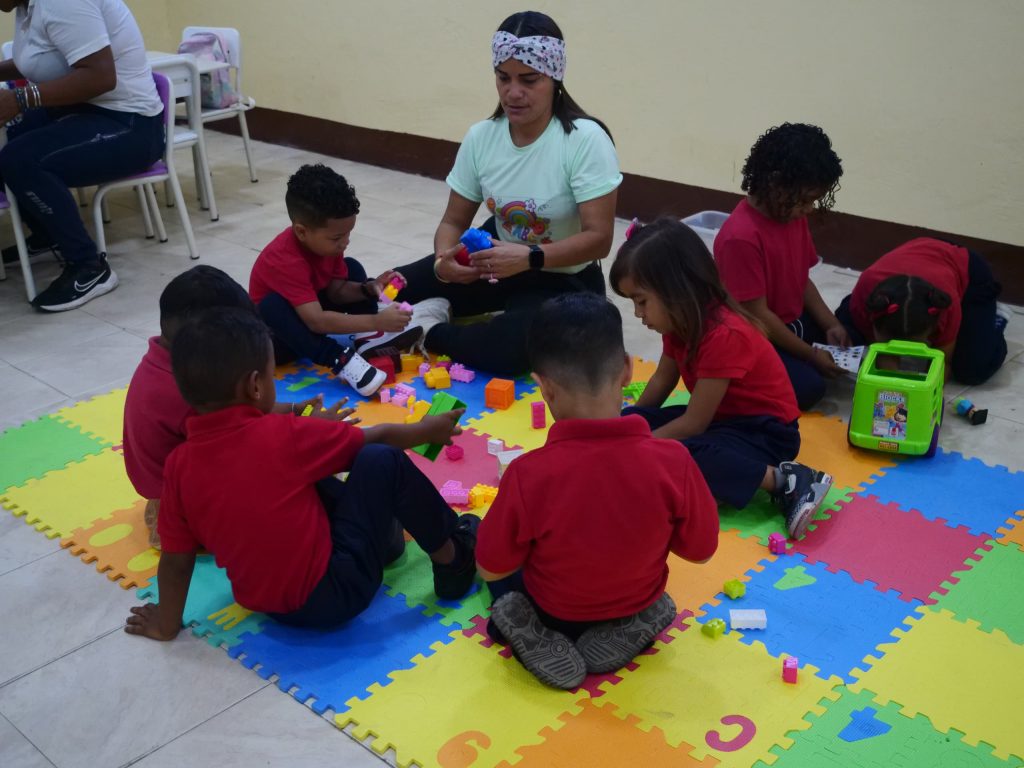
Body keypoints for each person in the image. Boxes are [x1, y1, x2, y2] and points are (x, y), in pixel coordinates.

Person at [124, 307, 480, 638]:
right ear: (255, 385)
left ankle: (386, 546)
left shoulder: (179, 464)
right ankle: (453, 559)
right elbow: (378, 439)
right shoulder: (283, 434)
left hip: (268, 606)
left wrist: (166, 624)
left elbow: (176, 559)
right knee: (381, 460)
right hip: (338, 593)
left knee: (297, 478)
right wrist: (427, 430)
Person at [475, 293, 719, 689]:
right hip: (636, 599)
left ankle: (533, 631)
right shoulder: (674, 460)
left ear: (544, 387)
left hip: (555, 611)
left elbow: (491, 566)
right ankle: (633, 623)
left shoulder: (527, 474)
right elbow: (701, 551)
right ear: (627, 370)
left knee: (494, 563)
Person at [392, 11, 622, 375]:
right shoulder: (482, 137)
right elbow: (453, 221)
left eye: (529, 80)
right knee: (391, 290)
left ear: (555, 77)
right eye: (503, 78)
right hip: (494, 260)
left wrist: (530, 257)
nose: (513, 93)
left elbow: (599, 239)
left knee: (510, 351)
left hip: (563, 276)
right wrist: (442, 262)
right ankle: (439, 309)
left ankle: (430, 329)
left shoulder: (585, 140)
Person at [612, 218, 834, 539]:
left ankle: (787, 480)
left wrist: (636, 448)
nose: (637, 313)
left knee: (685, 453)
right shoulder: (678, 325)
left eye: (641, 301)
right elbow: (661, 382)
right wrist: (628, 429)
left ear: (675, 291)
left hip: (766, 433)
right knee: (632, 423)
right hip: (723, 421)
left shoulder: (724, 334)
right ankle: (714, 483)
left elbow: (693, 424)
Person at [122, 265, 345, 549]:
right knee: (312, 478)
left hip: (164, 486)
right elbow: (254, 448)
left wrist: (293, 409)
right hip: (189, 506)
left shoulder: (168, 364)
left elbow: (244, 415)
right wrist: (315, 433)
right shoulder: (188, 393)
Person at [0, 0, 165, 311]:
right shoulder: (28, 7)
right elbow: (39, 61)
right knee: (9, 139)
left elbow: (101, 77)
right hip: (86, 111)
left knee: (20, 160)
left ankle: (89, 267)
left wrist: (21, 98)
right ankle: (48, 233)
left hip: (130, 125)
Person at [250, 164, 449, 396]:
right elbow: (316, 322)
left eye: (348, 234)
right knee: (271, 306)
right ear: (302, 232)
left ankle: (370, 339)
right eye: (337, 237)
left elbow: (336, 292)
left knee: (353, 267)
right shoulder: (284, 260)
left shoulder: (326, 244)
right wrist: (376, 321)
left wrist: (369, 288)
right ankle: (342, 360)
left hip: (309, 313)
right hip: (281, 340)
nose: (345, 242)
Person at [714, 123, 849, 410]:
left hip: (792, 322)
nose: (809, 209)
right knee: (809, 388)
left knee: (850, 336)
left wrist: (831, 324)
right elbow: (758, 316)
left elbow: (802, 280)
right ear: (776, 183)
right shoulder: (740, 237)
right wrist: (810, 355)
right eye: (806, 200)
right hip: (758, 336)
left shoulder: (791, 216)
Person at [834, 237, 1009, 385]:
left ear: (932, 328)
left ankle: (994, 320)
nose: (902, 352)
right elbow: (884, 357)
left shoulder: (943, 304)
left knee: (973, 369)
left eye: (914, 344)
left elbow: (943, 365)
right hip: (914, 258)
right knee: (847, 339)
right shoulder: (867, 293)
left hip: (965, 267)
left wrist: (918, 394)